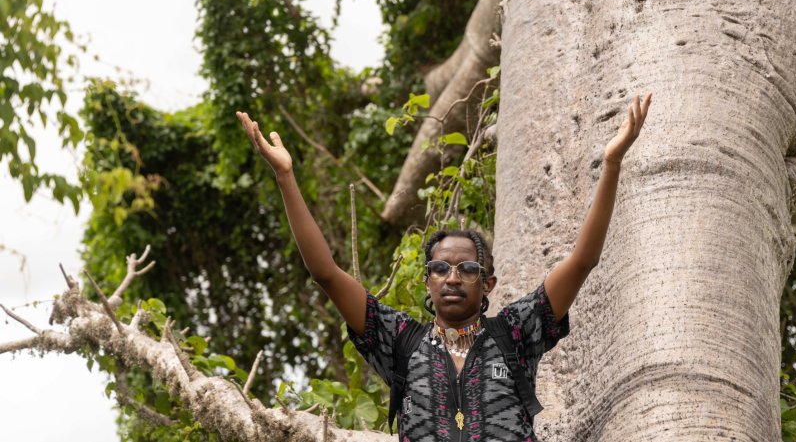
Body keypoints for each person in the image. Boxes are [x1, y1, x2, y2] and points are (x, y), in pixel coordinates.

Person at [235, 92, 651, 441]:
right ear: (427, 280)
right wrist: (285, 176)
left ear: (487, 283)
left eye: (467, 269)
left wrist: (611, 164)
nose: (453, 277)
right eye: (440, 268)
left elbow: (582, 262)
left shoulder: (516, 332)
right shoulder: (398, 340)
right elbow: (326, 274)